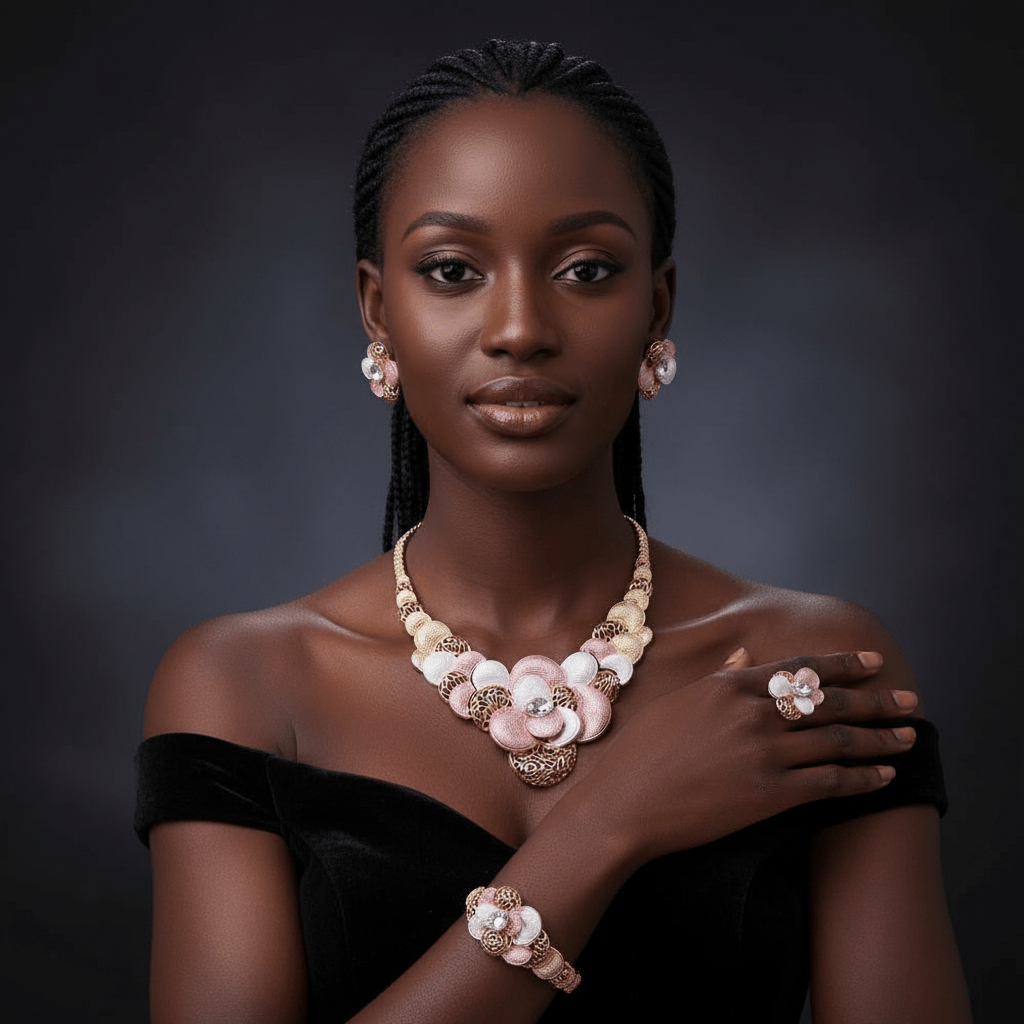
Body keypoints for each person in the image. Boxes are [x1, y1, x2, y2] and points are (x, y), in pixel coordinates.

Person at [135, 40, 971, 1023]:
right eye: (453, 270)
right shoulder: (243, 686)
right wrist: (606, 825)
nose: (521, 327)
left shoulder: (811, 672)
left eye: (585, 268)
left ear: (654, 306)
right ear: (378, 312)